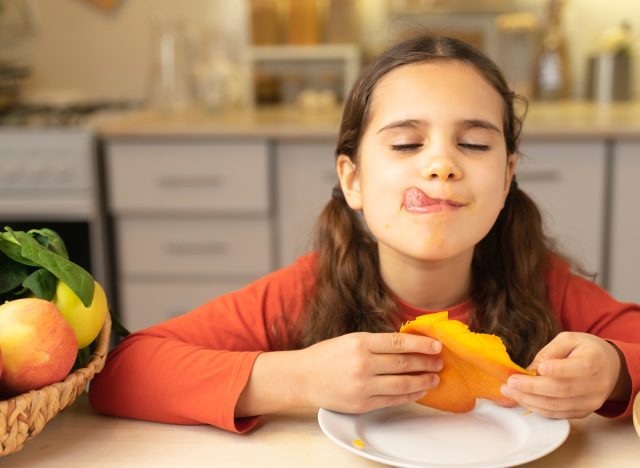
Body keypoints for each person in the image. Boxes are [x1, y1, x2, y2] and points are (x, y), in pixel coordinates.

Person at [89, 35, 639, 433]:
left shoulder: (544, 285)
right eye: (406, 144)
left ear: (507, 178)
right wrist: (299, 378)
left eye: (473, 144)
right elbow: (122, 373)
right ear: (352, 180)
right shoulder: (304, 292)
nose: (442, 164)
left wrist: (612, 370)